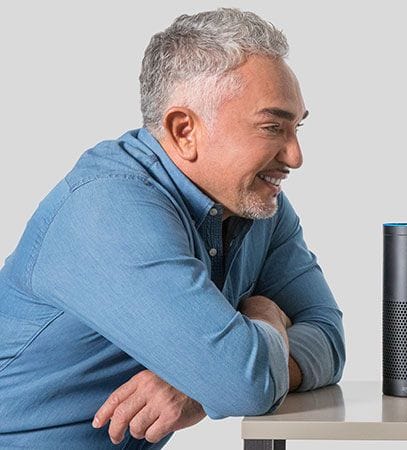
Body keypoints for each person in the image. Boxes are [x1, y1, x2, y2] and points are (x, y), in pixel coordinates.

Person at [0, 8, 345, 449]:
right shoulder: (107, 207)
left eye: (297, 128)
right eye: (272, 127)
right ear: (184, 130)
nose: (295, 156)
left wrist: (194, 384)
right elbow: (243, 385)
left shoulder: (259, 207)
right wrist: (261, 320)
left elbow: (328, 339)